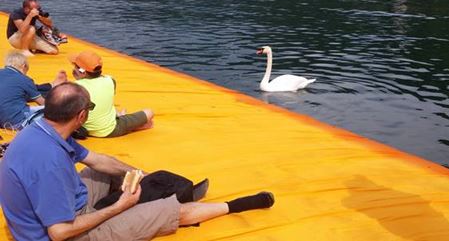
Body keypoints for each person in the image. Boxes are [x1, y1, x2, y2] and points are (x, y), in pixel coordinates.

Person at [0, 82, 275, 241]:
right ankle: (237, 204)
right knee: (171, 212)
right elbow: (59, 231)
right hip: (62, 235)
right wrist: (119, 207)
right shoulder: (48, 162)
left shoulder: (43, 130)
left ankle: (146, 193)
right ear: (81, 116)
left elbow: (97, 160)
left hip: (62, 205)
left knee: (108, 170)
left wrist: (141, 175)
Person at [69, 50, 154, 137]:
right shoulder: (110, 80)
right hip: (110, 131)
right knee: (149, 112)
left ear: (82, 72)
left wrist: (78, 79)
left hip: (84, 129)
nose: (73, 69)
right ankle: (130, 124)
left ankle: (122, 119)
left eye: (75, 66)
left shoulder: (73, 86)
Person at [0, 51, 66, 130]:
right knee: (57, 109)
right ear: (24, 66)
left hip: (2, 121)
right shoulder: (24, 79)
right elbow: (42, 103)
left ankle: (53, 85)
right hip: (17, 121)